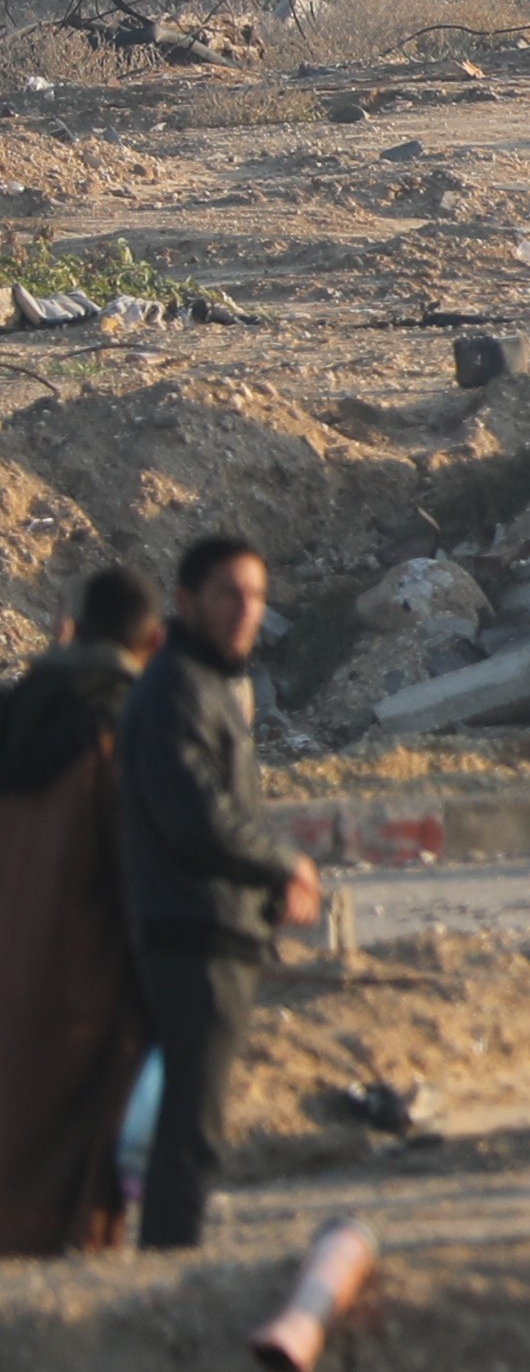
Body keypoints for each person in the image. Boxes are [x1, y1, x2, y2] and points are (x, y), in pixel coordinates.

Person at [104, 537, 305, 1255]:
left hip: (204, 927)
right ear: (185, 602)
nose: (246, 611)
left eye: (256, 596)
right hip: (194, 933)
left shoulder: (202, 686)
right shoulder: (177, 691)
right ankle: (168, 1282)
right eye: (229, 594)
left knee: (181, 1126)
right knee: (189, 1133)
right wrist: (282, 867)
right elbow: (199, 820)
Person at [0, 570, 156, 1252]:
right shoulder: (123, 722)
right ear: (151, 640)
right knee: (80, 1123)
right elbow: (136, 863)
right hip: (82, 972)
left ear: (77, 628)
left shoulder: (15, 708)